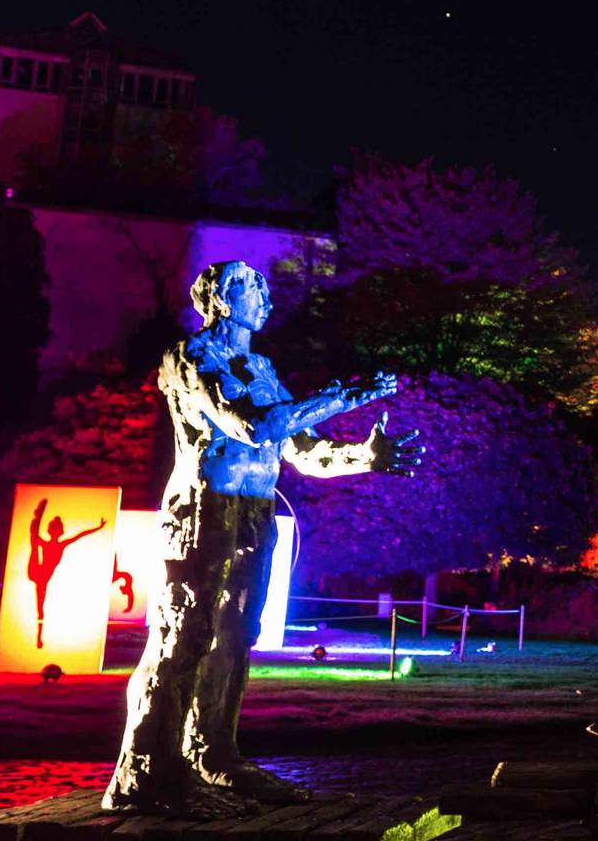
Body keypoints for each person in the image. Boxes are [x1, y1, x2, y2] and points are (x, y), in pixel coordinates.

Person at [103, 261, 423, 819]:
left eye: (261, 287)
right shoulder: (192, 358)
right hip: (205, 508)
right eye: (249, 287)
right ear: (220, 300)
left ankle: (212, 755)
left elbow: (301, 449)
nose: (264, 296)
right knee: (185, 635)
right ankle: (145, 773)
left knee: (236, 635)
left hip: (255, 512)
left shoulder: (261, 366)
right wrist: (343, 396)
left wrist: (361, 456)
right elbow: (250, 425)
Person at [25, 500, 105, 648]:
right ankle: (38, 516)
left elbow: (81, 535)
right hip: (37, 572)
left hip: (40, 575)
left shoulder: (58, 544)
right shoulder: (50, 544)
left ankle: (39, 637)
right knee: (34, 541)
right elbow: (79, 535)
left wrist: (98, 527)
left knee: (35, 541)